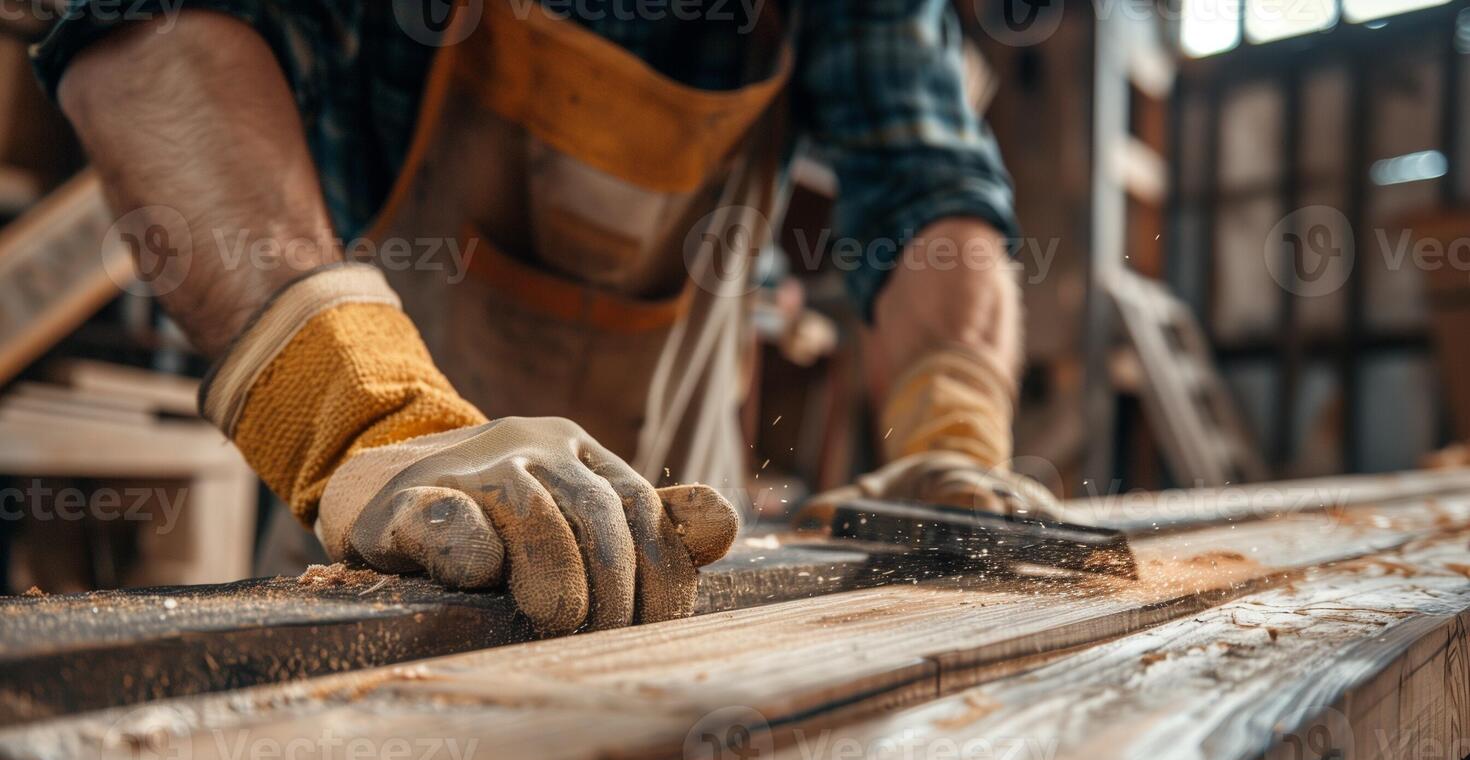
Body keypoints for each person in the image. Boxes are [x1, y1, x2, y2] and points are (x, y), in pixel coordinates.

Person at [35, 0, 1056, 634]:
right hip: (389, 548)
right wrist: (365, 418)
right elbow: (142, 42)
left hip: (690, 578)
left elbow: (927, 185)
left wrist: (953, 423)